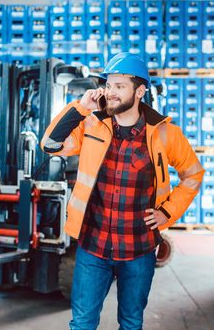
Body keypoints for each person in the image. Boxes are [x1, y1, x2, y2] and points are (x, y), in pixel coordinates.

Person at [41, 52, 205, 330]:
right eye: (109, 85)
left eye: (120, 86)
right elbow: (50, 144)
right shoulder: (92, 125)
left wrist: (168, 212)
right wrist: (80, 108)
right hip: (93, 246)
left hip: (139, 249)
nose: (111, 92)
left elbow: (193, 174)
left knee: (131, 323)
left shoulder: (165, 134)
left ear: (140, 91)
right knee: (82, 324)